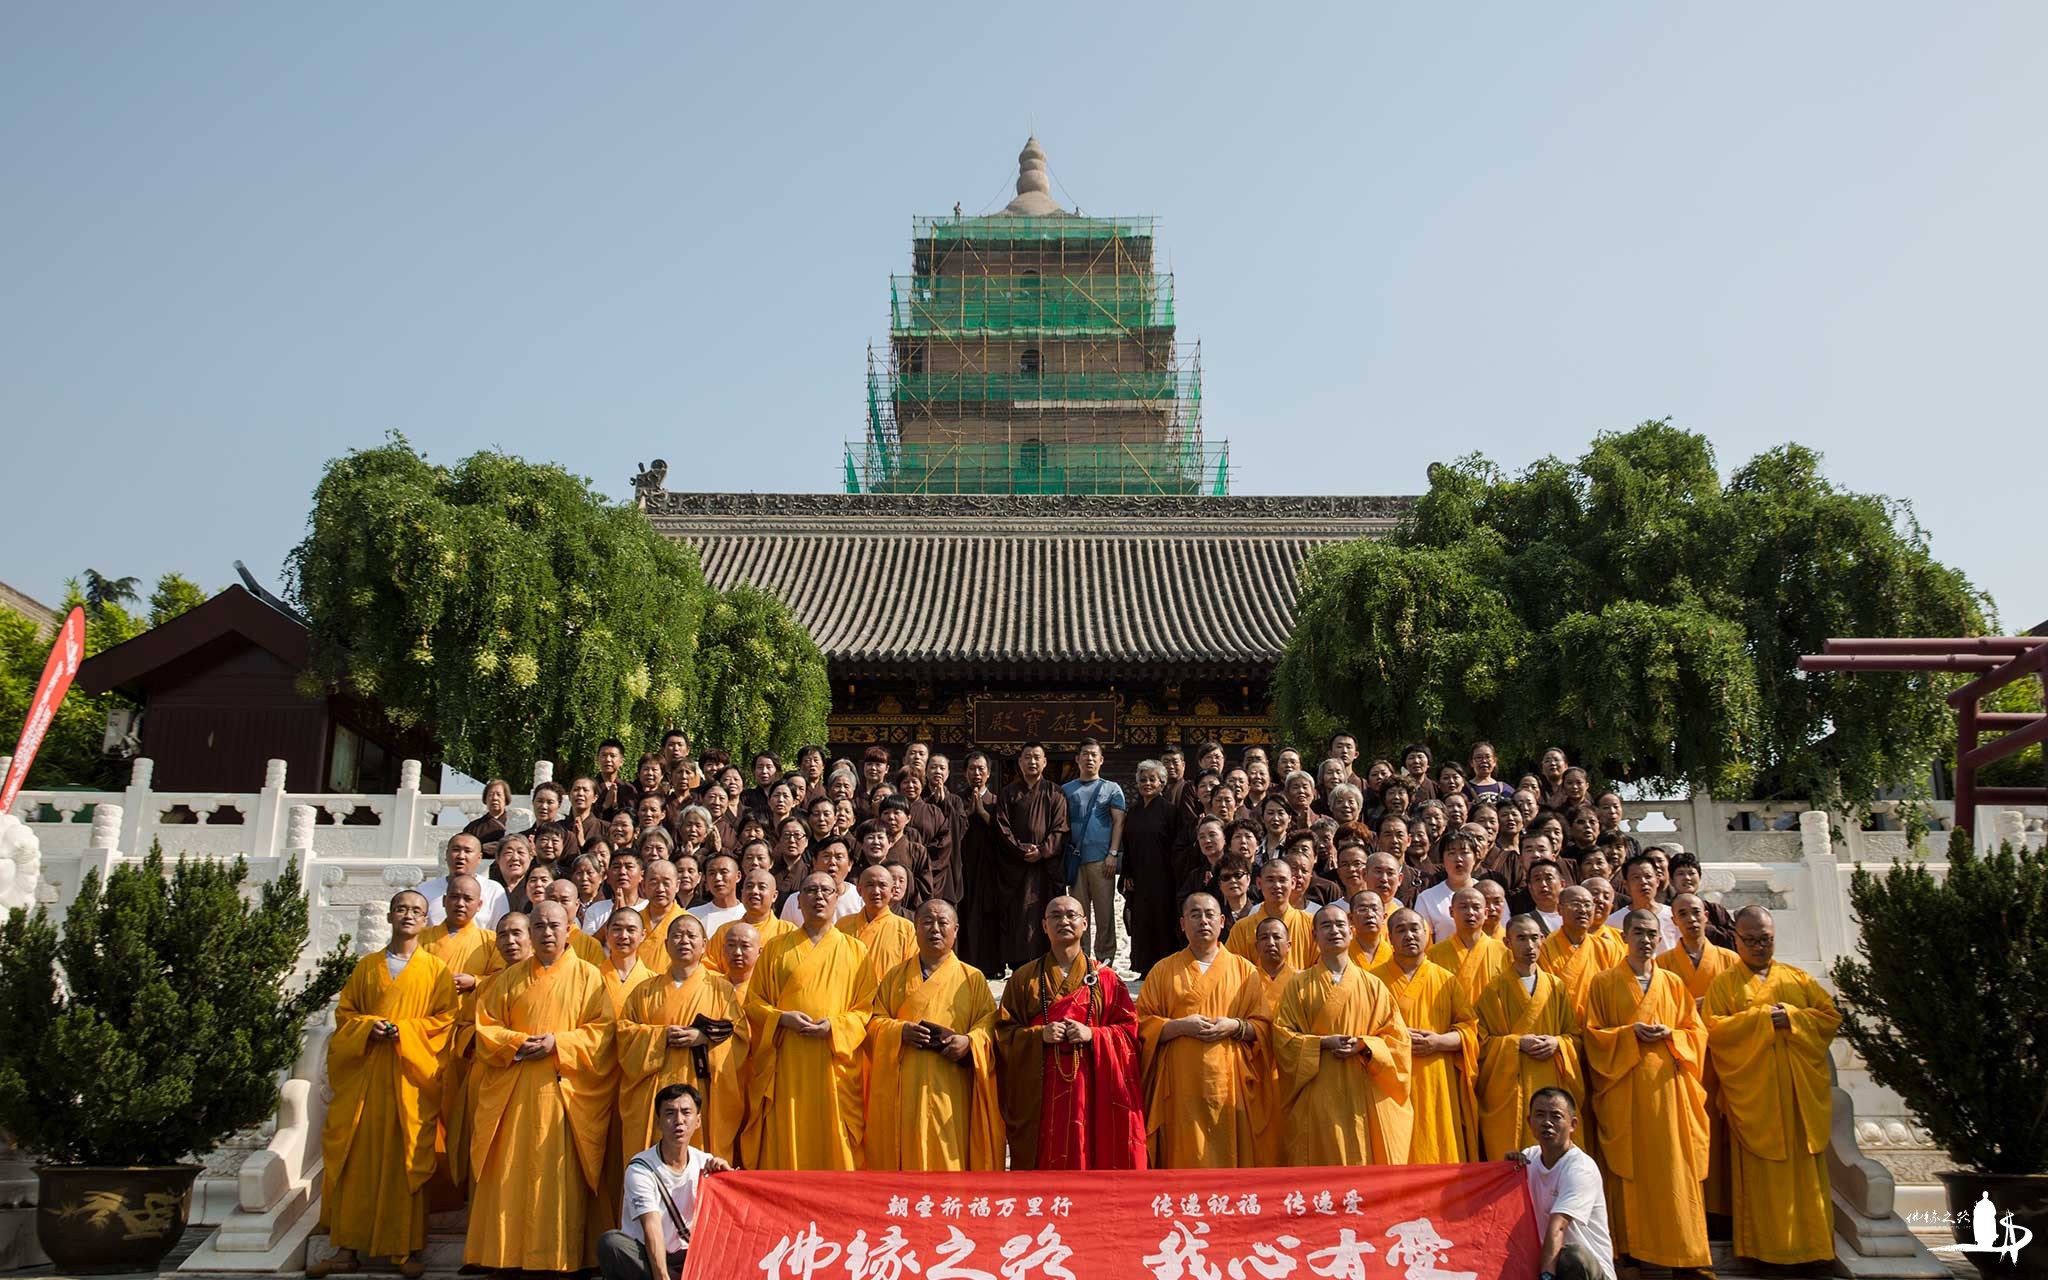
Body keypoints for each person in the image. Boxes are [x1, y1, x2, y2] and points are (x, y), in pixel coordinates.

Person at [465, 901, 617, 1277]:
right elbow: (485, 1029)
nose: (547, 933)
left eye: (554, 925)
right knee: (509, 1175)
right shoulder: (507, 979)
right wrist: (517, 1042)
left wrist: (559, 1043)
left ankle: (557, 1258)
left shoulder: (589, 976)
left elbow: (603, 1032)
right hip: (514, 1094)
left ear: (570, 930)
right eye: (539, 926)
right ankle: (505, 1255)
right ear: (530, 933)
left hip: (564, 1095)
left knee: (556, 1178)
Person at [312, 891, 456, 1280]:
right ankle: (344, 1250)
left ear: (426, 921)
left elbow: (444, 1022)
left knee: (405, 1161)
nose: (408, 916)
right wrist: (366, 1028)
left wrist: (404, 1032)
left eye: (417, 911)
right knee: (354, 1159)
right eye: (403, 909)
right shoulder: (367, 966)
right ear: (391, 915)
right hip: (366, 1078)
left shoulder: (435, 970)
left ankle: (403, 1250)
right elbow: (346, 1015)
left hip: (409, 1081)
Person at [1703, 906, 1842, 1270]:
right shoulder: (1724, 984)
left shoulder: (1797, 979)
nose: (1759, 947)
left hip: (1797, 1101)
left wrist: (1793, 1018)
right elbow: (1715, 1031)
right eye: (1750, 940)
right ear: (1736, 939)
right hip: (1755, 1100)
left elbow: (1829, 1017)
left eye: (1766, 939)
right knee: (1761, 1178)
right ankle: (1764, 1254)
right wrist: (1765, 1019)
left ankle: (1814, 1251)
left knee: (1805, 1177)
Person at [1583, 909, 1714, 1280]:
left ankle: (1686, 1256)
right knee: (1630, 1169)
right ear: (1624, 937)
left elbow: (1697, 1033)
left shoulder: (1673, 983)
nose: (1645, 940)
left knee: (1675, 1170)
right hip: (1626, 1092)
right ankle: (1631, 1254)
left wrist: (1672, 1036)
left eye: (1652, 934)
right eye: (1638, 932)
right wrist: (1628, 1034)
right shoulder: (1604, 983)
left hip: (1669, 1092)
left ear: (1660, 938)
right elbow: (1593, 1037)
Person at [995, 895, 1145, 1170]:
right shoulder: (1024, 978)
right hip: (1039, 1091)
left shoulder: (1107, 980)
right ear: (1044, 925)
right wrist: (1039, 1035)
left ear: (1085, 923)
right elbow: (1003, 1034)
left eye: (1072, 915)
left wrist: (1093, 1035)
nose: (1064, 921)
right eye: (1055, 916)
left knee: (1088, 1153)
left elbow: (1130, 1033)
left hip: (1091, 1089)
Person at [740, 873, 878, 1170]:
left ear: (836, 898)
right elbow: (753, 1003)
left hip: (834, 1061)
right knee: (788, 1133)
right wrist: (781, 1018)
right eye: (810, 890)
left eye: (826, 890)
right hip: (787, 1058)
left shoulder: (856, 951)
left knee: (836, 1137)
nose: (818, 896)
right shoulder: (776, 947)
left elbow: (865, 1008)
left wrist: (836, 1026)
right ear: (798, 901)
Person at [864, 899, 1005, 1171]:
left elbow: (990, 1026)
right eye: (927, 921)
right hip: (904, 1087)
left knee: (950, 1155)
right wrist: (899, 1031)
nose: (935, 928)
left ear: (956, 929)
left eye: (943, 922)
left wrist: (969, 1042)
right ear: (915, 929)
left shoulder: (972, 978)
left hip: (952, 1089)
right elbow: (872, 1024)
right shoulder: (895, 977)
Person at [1270, 904, 1413, 1166]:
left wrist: (1365, 1045)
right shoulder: (1298, 985)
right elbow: (1282, 1038)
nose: (1334, 930)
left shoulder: (1373, 986)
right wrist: (1322, 1043)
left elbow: (1397, 1041)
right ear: (1314, 937)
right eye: (1325, 926)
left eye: (1339, 925)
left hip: (1362, 1089)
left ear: (1351, 931)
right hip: (1318, 1088)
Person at [1134, 893, 1262, 1169]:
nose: (1203, 921)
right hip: (1179, 1081)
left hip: (1229, 1081)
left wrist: (1235, 1026)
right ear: (1182, 923)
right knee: (1183, 1153)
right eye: (1194, 915)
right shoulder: (1163, 970)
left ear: (1222, 921)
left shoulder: (1245, 971)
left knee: (1227, 1151)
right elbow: (1141, 1024)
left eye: (1209, 914)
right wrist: (1177, 1026)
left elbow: (1263, 1027)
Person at [616, 915, 750, 1167]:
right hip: (653, 1091)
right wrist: (660, 1036)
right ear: (666, 944)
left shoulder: (722, 990)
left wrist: (702, 1038)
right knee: (653, 1162)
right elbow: (624, 1035)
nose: (684, 941)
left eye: (691, 936)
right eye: (677, 935)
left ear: (704, 944)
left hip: (702, 1089)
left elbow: (739, 1037)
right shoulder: (643, 991)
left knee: (700, 1158)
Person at [1371, 907, 1479, 1163]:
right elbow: (1361, 1031)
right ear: (1389, 937)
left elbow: (1469, 1031)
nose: (1409, 935)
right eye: (1400, 930)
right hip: (1389, 1078)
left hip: (1435, 1077)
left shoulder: (1446, 980)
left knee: (1435, 1143)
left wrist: (1438, 1041)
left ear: (1426, 933)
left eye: (1414, 929)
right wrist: (1394, 1039)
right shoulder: (1373, 982)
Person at [1474, 914, 1585, 1160]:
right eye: (1521, 938)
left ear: (1543, 939)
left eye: (1535, 938)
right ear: (1507, 942)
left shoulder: (1556, 987)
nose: (1529, 946)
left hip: (1551, 1078)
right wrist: (1515, 1043)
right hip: (1511, 1089)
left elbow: (1575, 1036)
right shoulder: (1494, 990)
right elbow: (1480, 1042)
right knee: (1518, 1159)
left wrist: (1558, 1043)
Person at [1658, 891, 1741, 1216]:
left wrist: (1713, 1008)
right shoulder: (1662, 964)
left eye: (1696, 912)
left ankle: (1723, 1210)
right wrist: (1690, 1011)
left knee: (1720, 1134)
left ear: (1706, 915)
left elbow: (1742, 1007)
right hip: (1682, 1060)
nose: (1691, 920)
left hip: (1720, 1058)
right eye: (1683, 914)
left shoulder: (1729, 960)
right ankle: (1690, 1208)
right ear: (1674, 921)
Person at [419, 874, 500, 1201]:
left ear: (480, 905)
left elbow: (503, 982)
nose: (461, 903)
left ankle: (460, 1191)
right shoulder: (422, 940)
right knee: (427, 1116)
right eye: (455, 897)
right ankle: (429, 1191)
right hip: (424, 1039)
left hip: (467, 1043)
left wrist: (476, 981)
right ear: (444, 900)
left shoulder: (490, 941)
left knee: (463, 1119)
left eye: (468, 899)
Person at [597, 1084, 732, 1280]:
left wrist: (725, 1177)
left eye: (686, 1113)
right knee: (611, 1243)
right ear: (659, 1122)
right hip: (648, 1255)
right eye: (670, 1113)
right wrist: (662, 1277)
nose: (679, 1121)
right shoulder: (641, 1169)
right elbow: (651, 1226)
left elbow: (730, 1216)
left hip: (690, 1256)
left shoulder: (705, 1163)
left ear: (698, 1121)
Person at [1507, 1088, 1617, 1280]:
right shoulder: (1528, 1158)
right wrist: (1504, 1171)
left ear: (1573, 1124)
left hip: (1585, 1272)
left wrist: (1547, 1277)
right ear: (1529, 1122)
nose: (1547, 1123)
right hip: (1546, 1261)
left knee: (1572, 1258)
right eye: (1540, 1115)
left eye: (1556, 1116)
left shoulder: (1580, 1168)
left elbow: (1557, 1226)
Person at [990, 742, 1071, 971]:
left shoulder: (1055, 792)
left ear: (1045, 762)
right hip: (1015, 866)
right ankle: (1017, 963)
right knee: (1017, 914)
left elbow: (1061, 827)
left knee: (1044, 910)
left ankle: (1048, 960)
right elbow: (1001, 827)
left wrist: (1043, 850)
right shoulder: (1008, 793)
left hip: (1045, 867)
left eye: (1037, 757)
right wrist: (1020, 850)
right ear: (1020, 762)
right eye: (1027, 757)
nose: (1032, 761)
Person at [1061, 738, 1127, 968]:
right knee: (1077, 914)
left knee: (1105, 913)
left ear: (1101, 760)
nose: (1089, 758)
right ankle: (1081, 959)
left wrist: (1113, 853)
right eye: (1085, 754)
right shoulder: (1066, 790)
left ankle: (1105, 961)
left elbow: (1119, 823)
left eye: (1093, 755)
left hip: (1102, 860)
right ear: (1077, 759)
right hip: (1076, 861)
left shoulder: (1112, 788)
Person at [1245, 915, 1296, 1167]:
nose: (1271, 942)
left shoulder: (1302, 981)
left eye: (1277, 937)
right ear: (1255, 947)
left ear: (1289, 945)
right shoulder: (1243, 980)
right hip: (1254, 1071)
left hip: (1293, 1073)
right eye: (1264, 938)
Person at [1121, 758, 1180, 977]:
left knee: (1162, 920)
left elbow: (1176, 844)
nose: (1147, 783)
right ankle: (1144, 967)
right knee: (1140, 921)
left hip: (1163, 875)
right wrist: (1126, 872)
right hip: (1138, 874)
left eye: (1152, 779)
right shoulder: (1134, 811)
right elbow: (1126, 844)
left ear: (1162, 783)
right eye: (1143, 779)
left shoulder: (1169, 811)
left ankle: (1163, 967)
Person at [1541, 885, 1626, 1018]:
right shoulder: (1544, 949)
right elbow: (1544, 994)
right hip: (1561, 1026)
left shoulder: (1608, 948)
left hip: (1598, 1026)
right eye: (1575, 904)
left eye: (1587, 905)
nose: (1582, 910)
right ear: (1559, 909)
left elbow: (1620, 991)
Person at [1225, 858, 1317, 969]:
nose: (1277, 885)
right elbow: (1232, 970)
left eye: (1282, 880)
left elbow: (1321, 967)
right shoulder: (1241, 928)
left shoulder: (1311, 924)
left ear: (1292, 883)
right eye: (1270, 880)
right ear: (1259, 883)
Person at [1427, 885, 1510, 1006]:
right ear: (1451, 911)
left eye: (1476, 907)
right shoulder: (1434, 953)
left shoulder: (1504, 952)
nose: (1470, 912)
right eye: (1463, 907)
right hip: (1451, 1022)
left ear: (1486, 913)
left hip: (1491, 1023)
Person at [838, 862, 916, 982]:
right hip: (848, 996)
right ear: (859, 890)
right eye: (869, 885)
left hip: (886, 999)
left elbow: (911, 972)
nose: (876, 891)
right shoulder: (842, 925)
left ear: (892, 890)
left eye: (882, 885)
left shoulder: (906, 929)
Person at [707, 868, 791, 973]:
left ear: (774, 896)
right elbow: (708, 967)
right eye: (749, 887)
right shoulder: (725, 931)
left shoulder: (788, 932)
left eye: (762, 887)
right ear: (742, 894)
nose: (754, 891)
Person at [421, 833, 510, 929]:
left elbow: (501, 930)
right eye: (456, 850)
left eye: (468, 851)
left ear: (479, 858)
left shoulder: (493, 889)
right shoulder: (425, 890)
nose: (461, 856)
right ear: (446, 854)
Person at [1607, 854, 1678, 953]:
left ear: (1657, 881)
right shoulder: (1612, 922)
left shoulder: (1674, 916)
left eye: (1648, 876)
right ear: (1626, 885)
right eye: (1636, 878)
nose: (1643, 882)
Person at [600, 909, 657, 1013]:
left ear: (643, 935)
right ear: (607, 933)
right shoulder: (591, 976)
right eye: (617, 929)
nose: (623, 936)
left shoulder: (653, 982)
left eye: (631, 930)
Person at [687, 852, 745, 936]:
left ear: (738, 876)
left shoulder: (747, 915)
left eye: (724, 872)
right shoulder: (693, 915)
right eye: (712, 873)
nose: (717, 878)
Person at [1346, 889, 1391, 968]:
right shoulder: (1342, 953)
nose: (1369, 914)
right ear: (1351, 918)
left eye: (1375, 909)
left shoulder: (1395, 954)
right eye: (1362, 910)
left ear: (1384, 917)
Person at [718, 922, 761, 1000]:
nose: (737, 952)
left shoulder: (765, 991)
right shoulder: (712, 987)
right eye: (731, 945)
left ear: (759, 952)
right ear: (723, 949)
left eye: (745, 946)